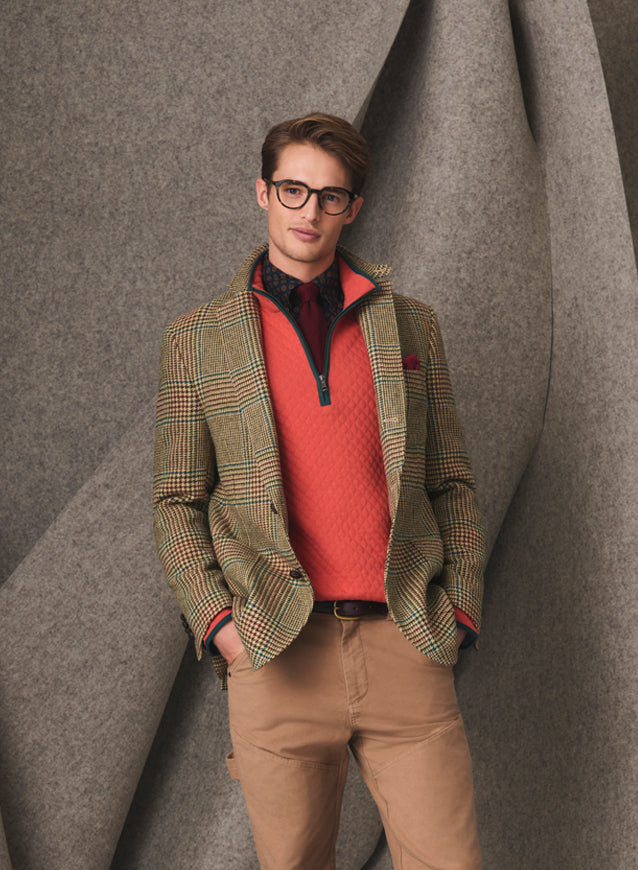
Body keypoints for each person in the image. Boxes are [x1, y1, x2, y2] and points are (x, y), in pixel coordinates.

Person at [153, 112, 486, 869]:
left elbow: (452, 481)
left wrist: (459, 608)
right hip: (277, 652)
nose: (310, 211)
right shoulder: (197, 340)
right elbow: (177, 500)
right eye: (294, 190)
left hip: (405, 638)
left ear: (352, 208)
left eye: (330, 196)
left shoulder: (412, 327)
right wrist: (221, 626)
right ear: (263, 193)